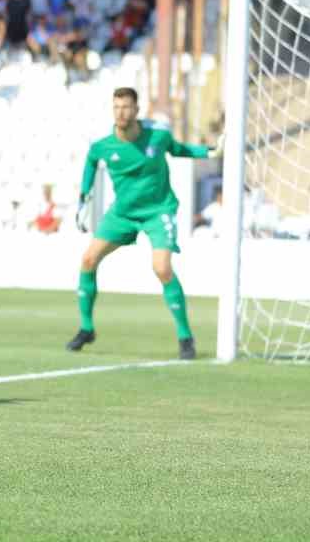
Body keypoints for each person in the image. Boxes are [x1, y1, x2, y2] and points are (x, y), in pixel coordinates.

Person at [68, 87, 217, 360]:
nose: (120, 112)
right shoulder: (103, 146)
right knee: (88, 260)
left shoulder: (158, 137)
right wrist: (83, 197)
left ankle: (185, 336)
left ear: (137, 110)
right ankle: (86, 328)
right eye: (116, 107)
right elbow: (90, 163)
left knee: (161, 267)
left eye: (126, 107)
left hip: (158, 210)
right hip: (123, 213)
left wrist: (210, 152)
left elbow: (179, 149)